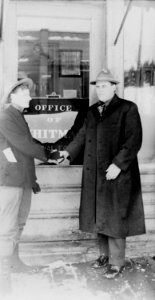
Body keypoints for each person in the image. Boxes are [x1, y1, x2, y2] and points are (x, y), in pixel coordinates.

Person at [59, 68, 146, 279]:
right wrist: (68, 153)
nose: (100, 90)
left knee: (115, 218)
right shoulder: (92, 111)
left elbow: (134, 139)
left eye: (104, 86)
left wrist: (118, 164)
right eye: (97, 86)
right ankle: (104, 256)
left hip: (118, 174)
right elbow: (81, 135)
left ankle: (117, 262)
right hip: (96, 174)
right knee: (100, 215)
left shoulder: (127, 108)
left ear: (114, 87)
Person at [0, 78, 50, 294]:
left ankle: (15, 262)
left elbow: (26, 149)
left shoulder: (18, 116)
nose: (30, 97)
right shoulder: (5, 117)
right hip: (9, 181)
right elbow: (24, 145)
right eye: (25, 94)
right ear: (12, 96)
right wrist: (49, 155)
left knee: (20, 224)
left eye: (29, 94)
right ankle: (4, 277)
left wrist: (32, 180)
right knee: (7, 229)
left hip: (23, 181)